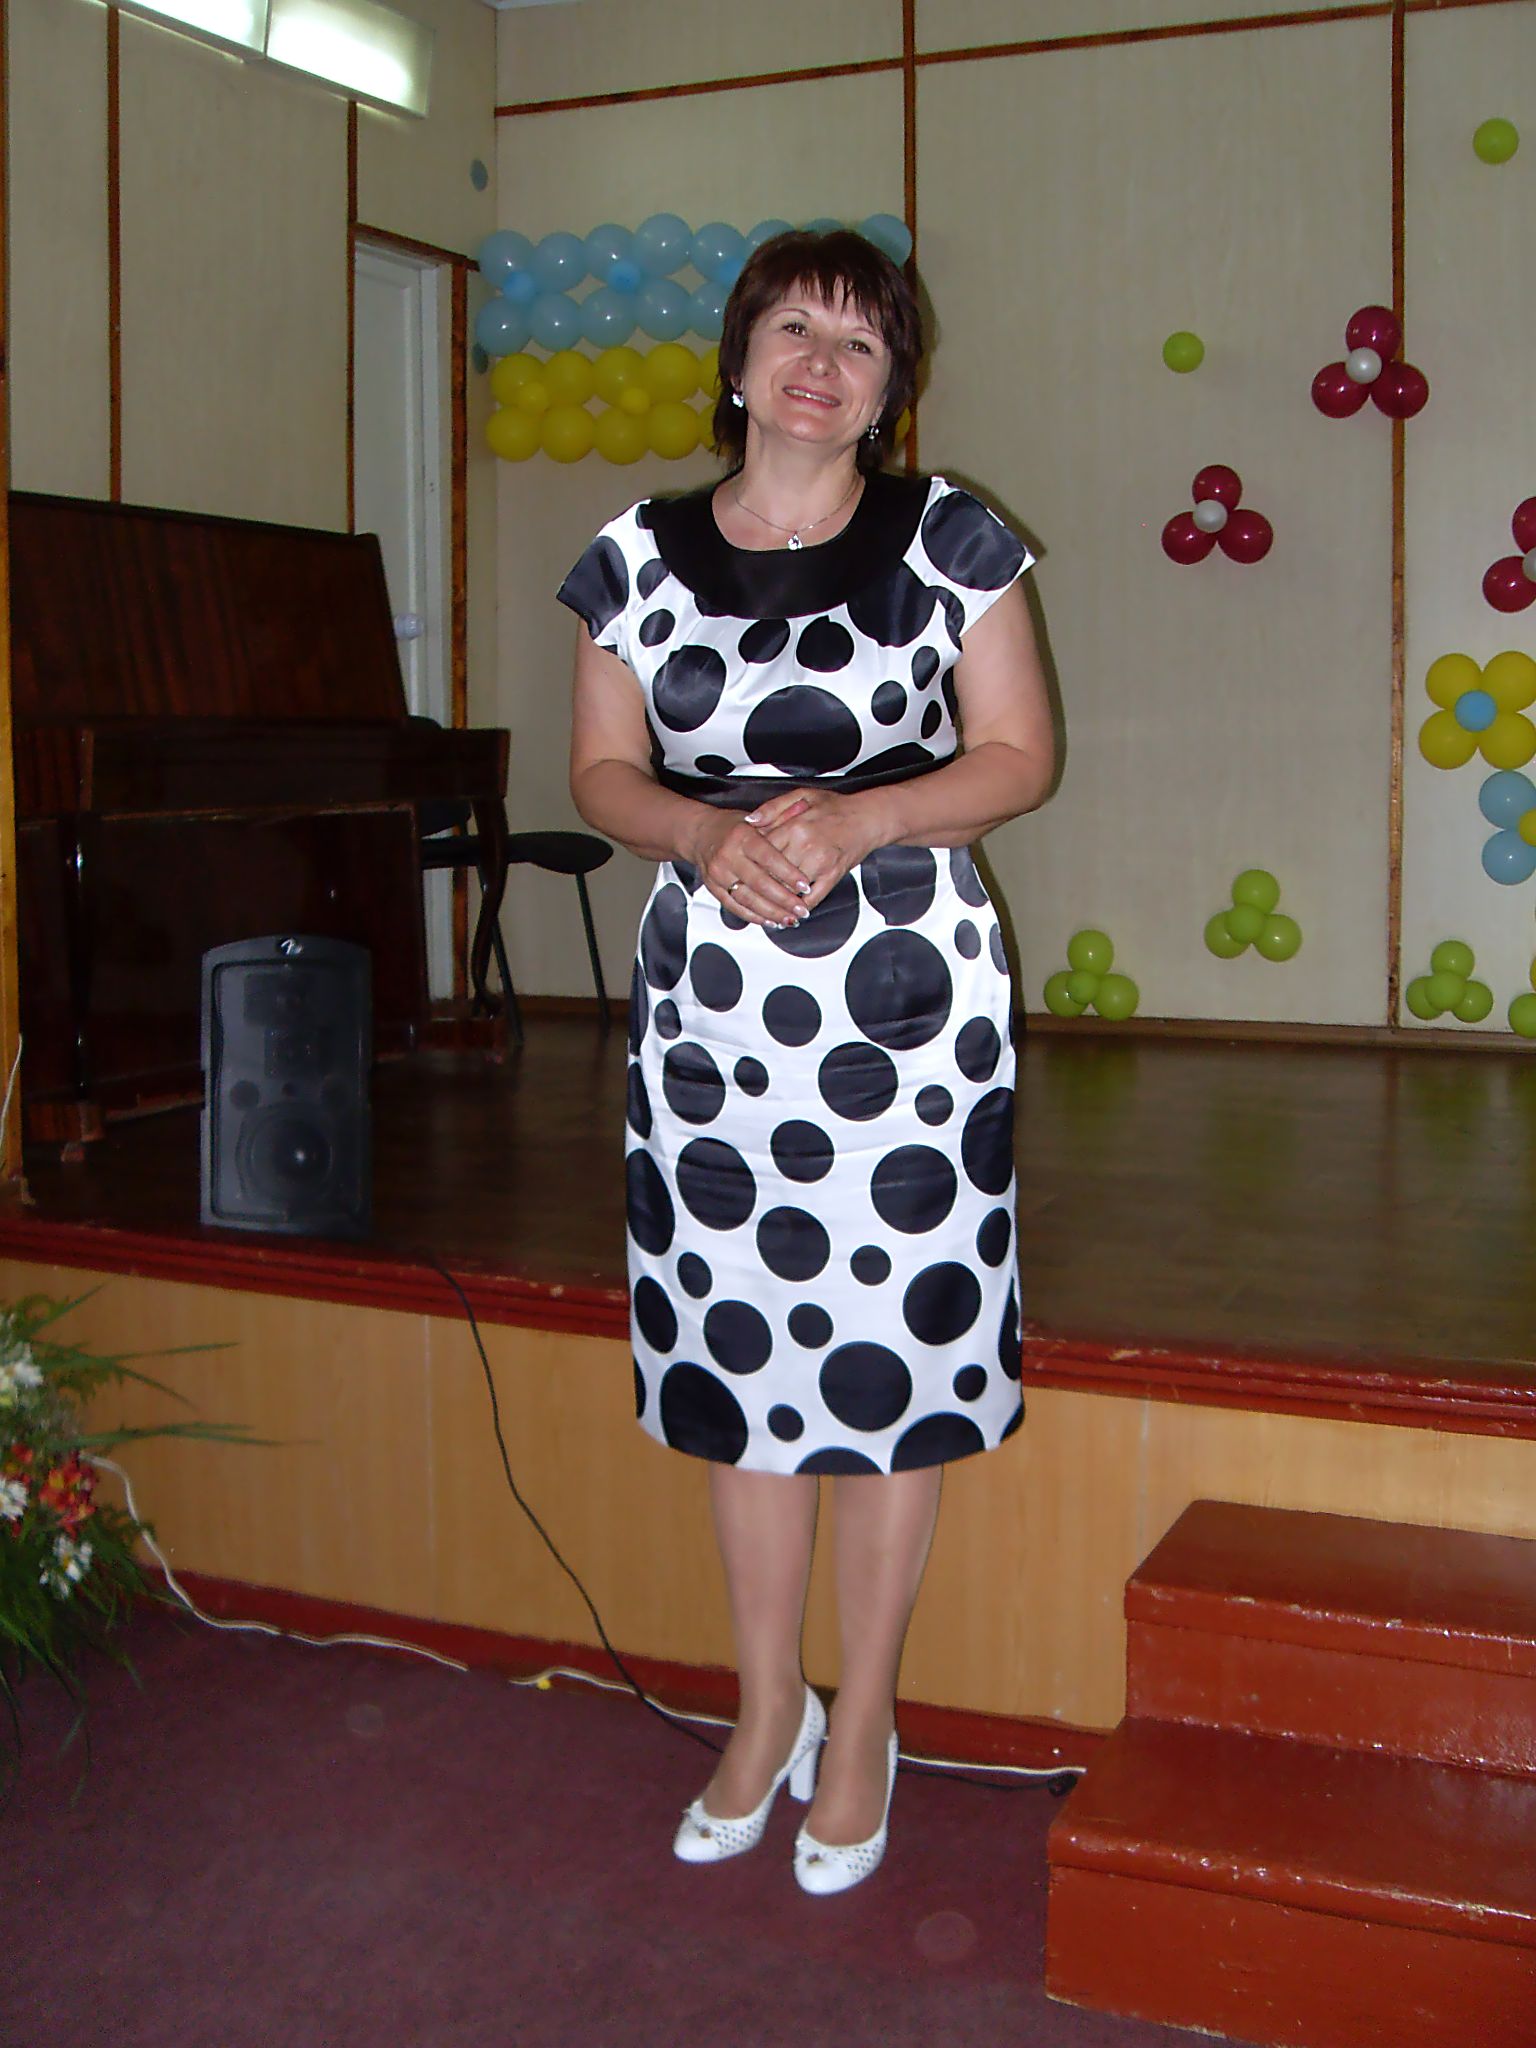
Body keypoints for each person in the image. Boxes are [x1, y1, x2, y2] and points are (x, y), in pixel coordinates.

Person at [559, 229, 1055, 1894]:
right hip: (714, 1003)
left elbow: (1020, 755)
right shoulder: (634, 551)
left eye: (859, 341)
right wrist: (704, 836)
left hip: (906, 997)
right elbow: (600, 773)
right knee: (744, 1362)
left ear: (894, 383)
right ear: (737, 356)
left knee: (892, 1360)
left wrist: (866, 818)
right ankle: (767, 1706)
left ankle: (866, 1722)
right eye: (793, 328)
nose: (820, 365)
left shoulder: (951, 536)